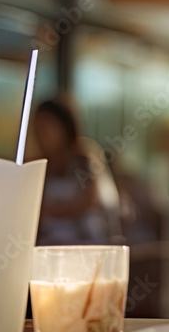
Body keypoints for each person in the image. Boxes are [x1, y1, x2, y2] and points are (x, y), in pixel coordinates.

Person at [32, 99, 110, 246]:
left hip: (85, 243)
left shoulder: (84, 156)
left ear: (64, 126)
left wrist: (48, 210)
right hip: (48, 243)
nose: (40, 135)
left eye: (46, 127)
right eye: (37, 128)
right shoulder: (39, 163)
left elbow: (91, 200)